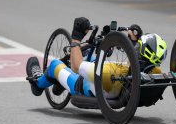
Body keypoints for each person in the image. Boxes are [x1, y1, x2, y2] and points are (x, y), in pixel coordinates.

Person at [26, 17, 167, 99]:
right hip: (115, 88)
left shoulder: (110, 71)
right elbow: (134, 67)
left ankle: (37, 83)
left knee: (55, 65)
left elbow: (77, 66)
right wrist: (133, 44)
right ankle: (59, 83)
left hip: (81, 86)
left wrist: (76, 37)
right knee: (92, 58)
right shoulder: (155, 73)